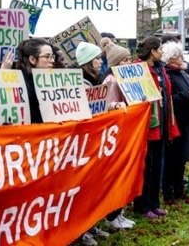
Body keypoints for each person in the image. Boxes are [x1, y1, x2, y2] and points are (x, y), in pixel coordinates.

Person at [133, 36, 179, 220]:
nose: (162, 52)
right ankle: (142, 206)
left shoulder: (160, 69)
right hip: (148, 128)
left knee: (156, 168)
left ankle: (154, 203)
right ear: (152, 51)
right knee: (147, 168)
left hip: (161, 126)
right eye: (160, 49)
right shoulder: (138, 69)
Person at [74, 42, 111, 243]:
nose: (100, 61)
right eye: (97, 58)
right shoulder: (80, 82)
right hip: (83, 142)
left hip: (95, 139)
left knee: (94, 187)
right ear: (88, 61)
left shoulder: (96, 79)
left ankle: (92, 225)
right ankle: (82, 231)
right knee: (84, 188)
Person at [162, 41, 189, 206]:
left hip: (187, 120)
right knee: (173, 159)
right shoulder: (167, 74)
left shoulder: (182, 72)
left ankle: (179, 190)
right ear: (171, 59)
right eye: (178, 56)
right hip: (176, 121)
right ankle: (168, 193)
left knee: (182, 158)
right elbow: (169, 100)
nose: (182, 58)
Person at [100, 43, 135, 230]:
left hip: (125, 132)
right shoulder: (111, 82)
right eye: (125, 60)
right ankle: (112, 215)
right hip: (117, 134)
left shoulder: (124, 80)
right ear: (115, 63)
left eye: (130, 58)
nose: (129, 62)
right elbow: (108, 106)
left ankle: (119, 213)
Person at [15, 38, 55, 124]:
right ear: (32, 60)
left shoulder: (52, 80)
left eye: (52, 56)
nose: (52, 60)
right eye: (47, 56)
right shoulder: (21, 84)